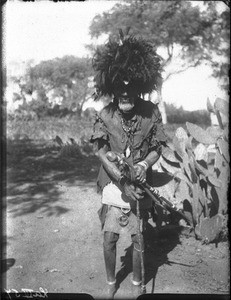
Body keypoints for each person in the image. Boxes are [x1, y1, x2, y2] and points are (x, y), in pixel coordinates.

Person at [90, 31, 167, 298]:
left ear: (140, 85)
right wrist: (122, 180)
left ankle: (137, 285)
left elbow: (157, 149)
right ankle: (111, 283)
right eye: (120, 88)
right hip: (113, 183)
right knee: (109, 238)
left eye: (130, 86)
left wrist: (144, 165)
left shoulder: (151, 113)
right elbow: (101, 152)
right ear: (112, 87)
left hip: (141, 184)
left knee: (138, 238)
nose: (125, 92)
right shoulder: (106, 114)